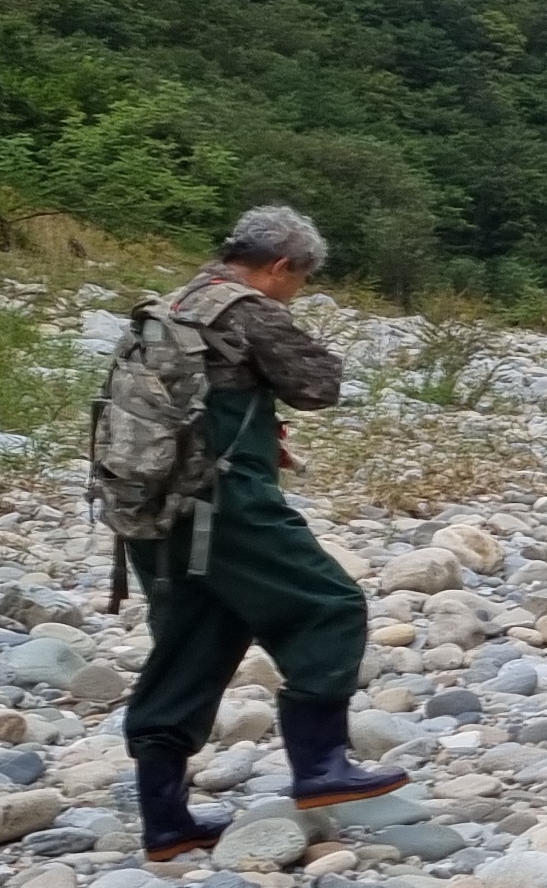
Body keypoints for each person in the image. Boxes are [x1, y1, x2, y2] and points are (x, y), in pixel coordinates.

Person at [115, 205, 408, 854]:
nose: (296, 291)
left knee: (191, 645)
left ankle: (165, 823)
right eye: (301, 279)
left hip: (148, 505)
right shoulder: (245, 309)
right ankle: (321, 767)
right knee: (327, 604)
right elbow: (318, 385)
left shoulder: (168, 306)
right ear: (280, 266)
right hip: (225, 502)